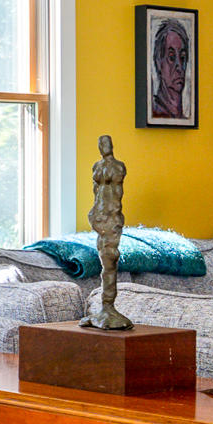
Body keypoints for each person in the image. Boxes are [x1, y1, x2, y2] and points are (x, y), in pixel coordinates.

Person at [87, 134, 131, 331]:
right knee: (104, 256)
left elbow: (116, 191)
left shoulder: (118, 167)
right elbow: (96, 191)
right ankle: (105, 308)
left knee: (110, 258)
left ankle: (108, 305)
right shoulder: (96, 167)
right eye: (101, 144)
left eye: (106, 144)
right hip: (99, 213)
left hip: (112, 214)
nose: (104, 147)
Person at [148, 17, 191, 122]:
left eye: (182, 58)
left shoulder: (185, 118)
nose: (179, 67)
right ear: (159, 62)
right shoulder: (156, 112)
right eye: (171, 58)